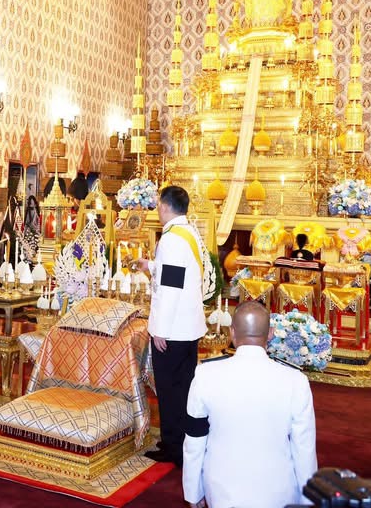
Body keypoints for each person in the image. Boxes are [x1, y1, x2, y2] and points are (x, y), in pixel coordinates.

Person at [183, 301, 318, 508]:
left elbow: (194, 441)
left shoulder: (205, 375)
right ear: (271, 333)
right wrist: (308, 499)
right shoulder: (295, 381)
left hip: (221, 493)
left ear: (232, 333)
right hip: (278, 494)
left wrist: (193, 492)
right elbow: (304, 449)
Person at [132, 185, 207, 466]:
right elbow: (177, 272)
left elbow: (171, 287)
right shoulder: (188, 232)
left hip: (173, 329)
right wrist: (150, 266)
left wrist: (159, 329)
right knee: (183, 386)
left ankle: (174, 446)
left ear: (164, 206)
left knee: (169, 388)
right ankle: (182, 440)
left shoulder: (172, 239)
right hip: (188, 327)